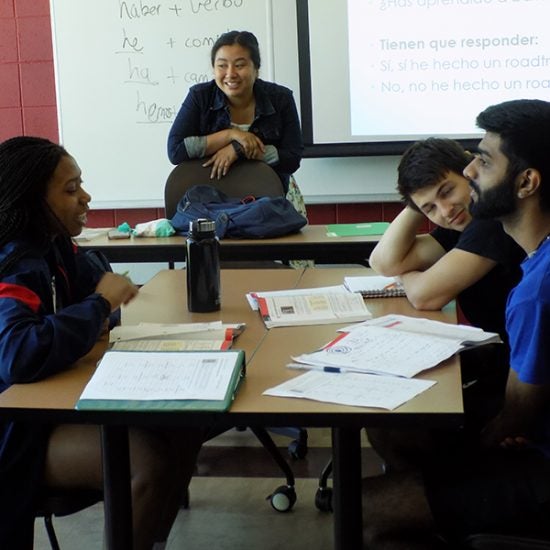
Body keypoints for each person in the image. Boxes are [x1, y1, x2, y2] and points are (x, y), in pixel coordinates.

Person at [362, 99, 550, 549]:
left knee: (362, 508)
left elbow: (517, 417)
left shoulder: (536, 290)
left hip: (539, 458)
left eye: (481, 162)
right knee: (401, 430)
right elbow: (388, 263)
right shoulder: (527, 255)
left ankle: (449, 513)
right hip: (529, 423)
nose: (468, 173)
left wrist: (474, 454)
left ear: (526, 182)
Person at [0, 136, 202, 550]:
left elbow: (96, 294)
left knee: (186, 427)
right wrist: (98, 305)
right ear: (32, 200)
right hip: (15, 431)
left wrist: (99, 305)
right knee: (146, 463)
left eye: (82, 185)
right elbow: (17, 354)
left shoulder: (52, 245)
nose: (85, 198)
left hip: (53, 404)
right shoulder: (14, 263)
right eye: (70, 190)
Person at [367, 138, 525, 470]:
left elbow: (426, 296)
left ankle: (440, 497)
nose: (446, 211)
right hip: (506, 359)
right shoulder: (462, 224)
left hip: (522, 377)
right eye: (430, 209)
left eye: (446, 191)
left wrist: (410, 281)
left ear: (470, 171)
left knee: (398, 422)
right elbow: (384, 262)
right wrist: (416, 204)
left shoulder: (490, 222)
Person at [167, 29, 307, 217]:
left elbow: (292, 157)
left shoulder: (281, 98)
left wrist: (238, 151)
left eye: (239, 65)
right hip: (211, 206)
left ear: (256, 69)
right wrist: (231, 135)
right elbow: (176, 151)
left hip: (270, 204)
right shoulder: (199, 97)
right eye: (222, 66)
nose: (230, 74)